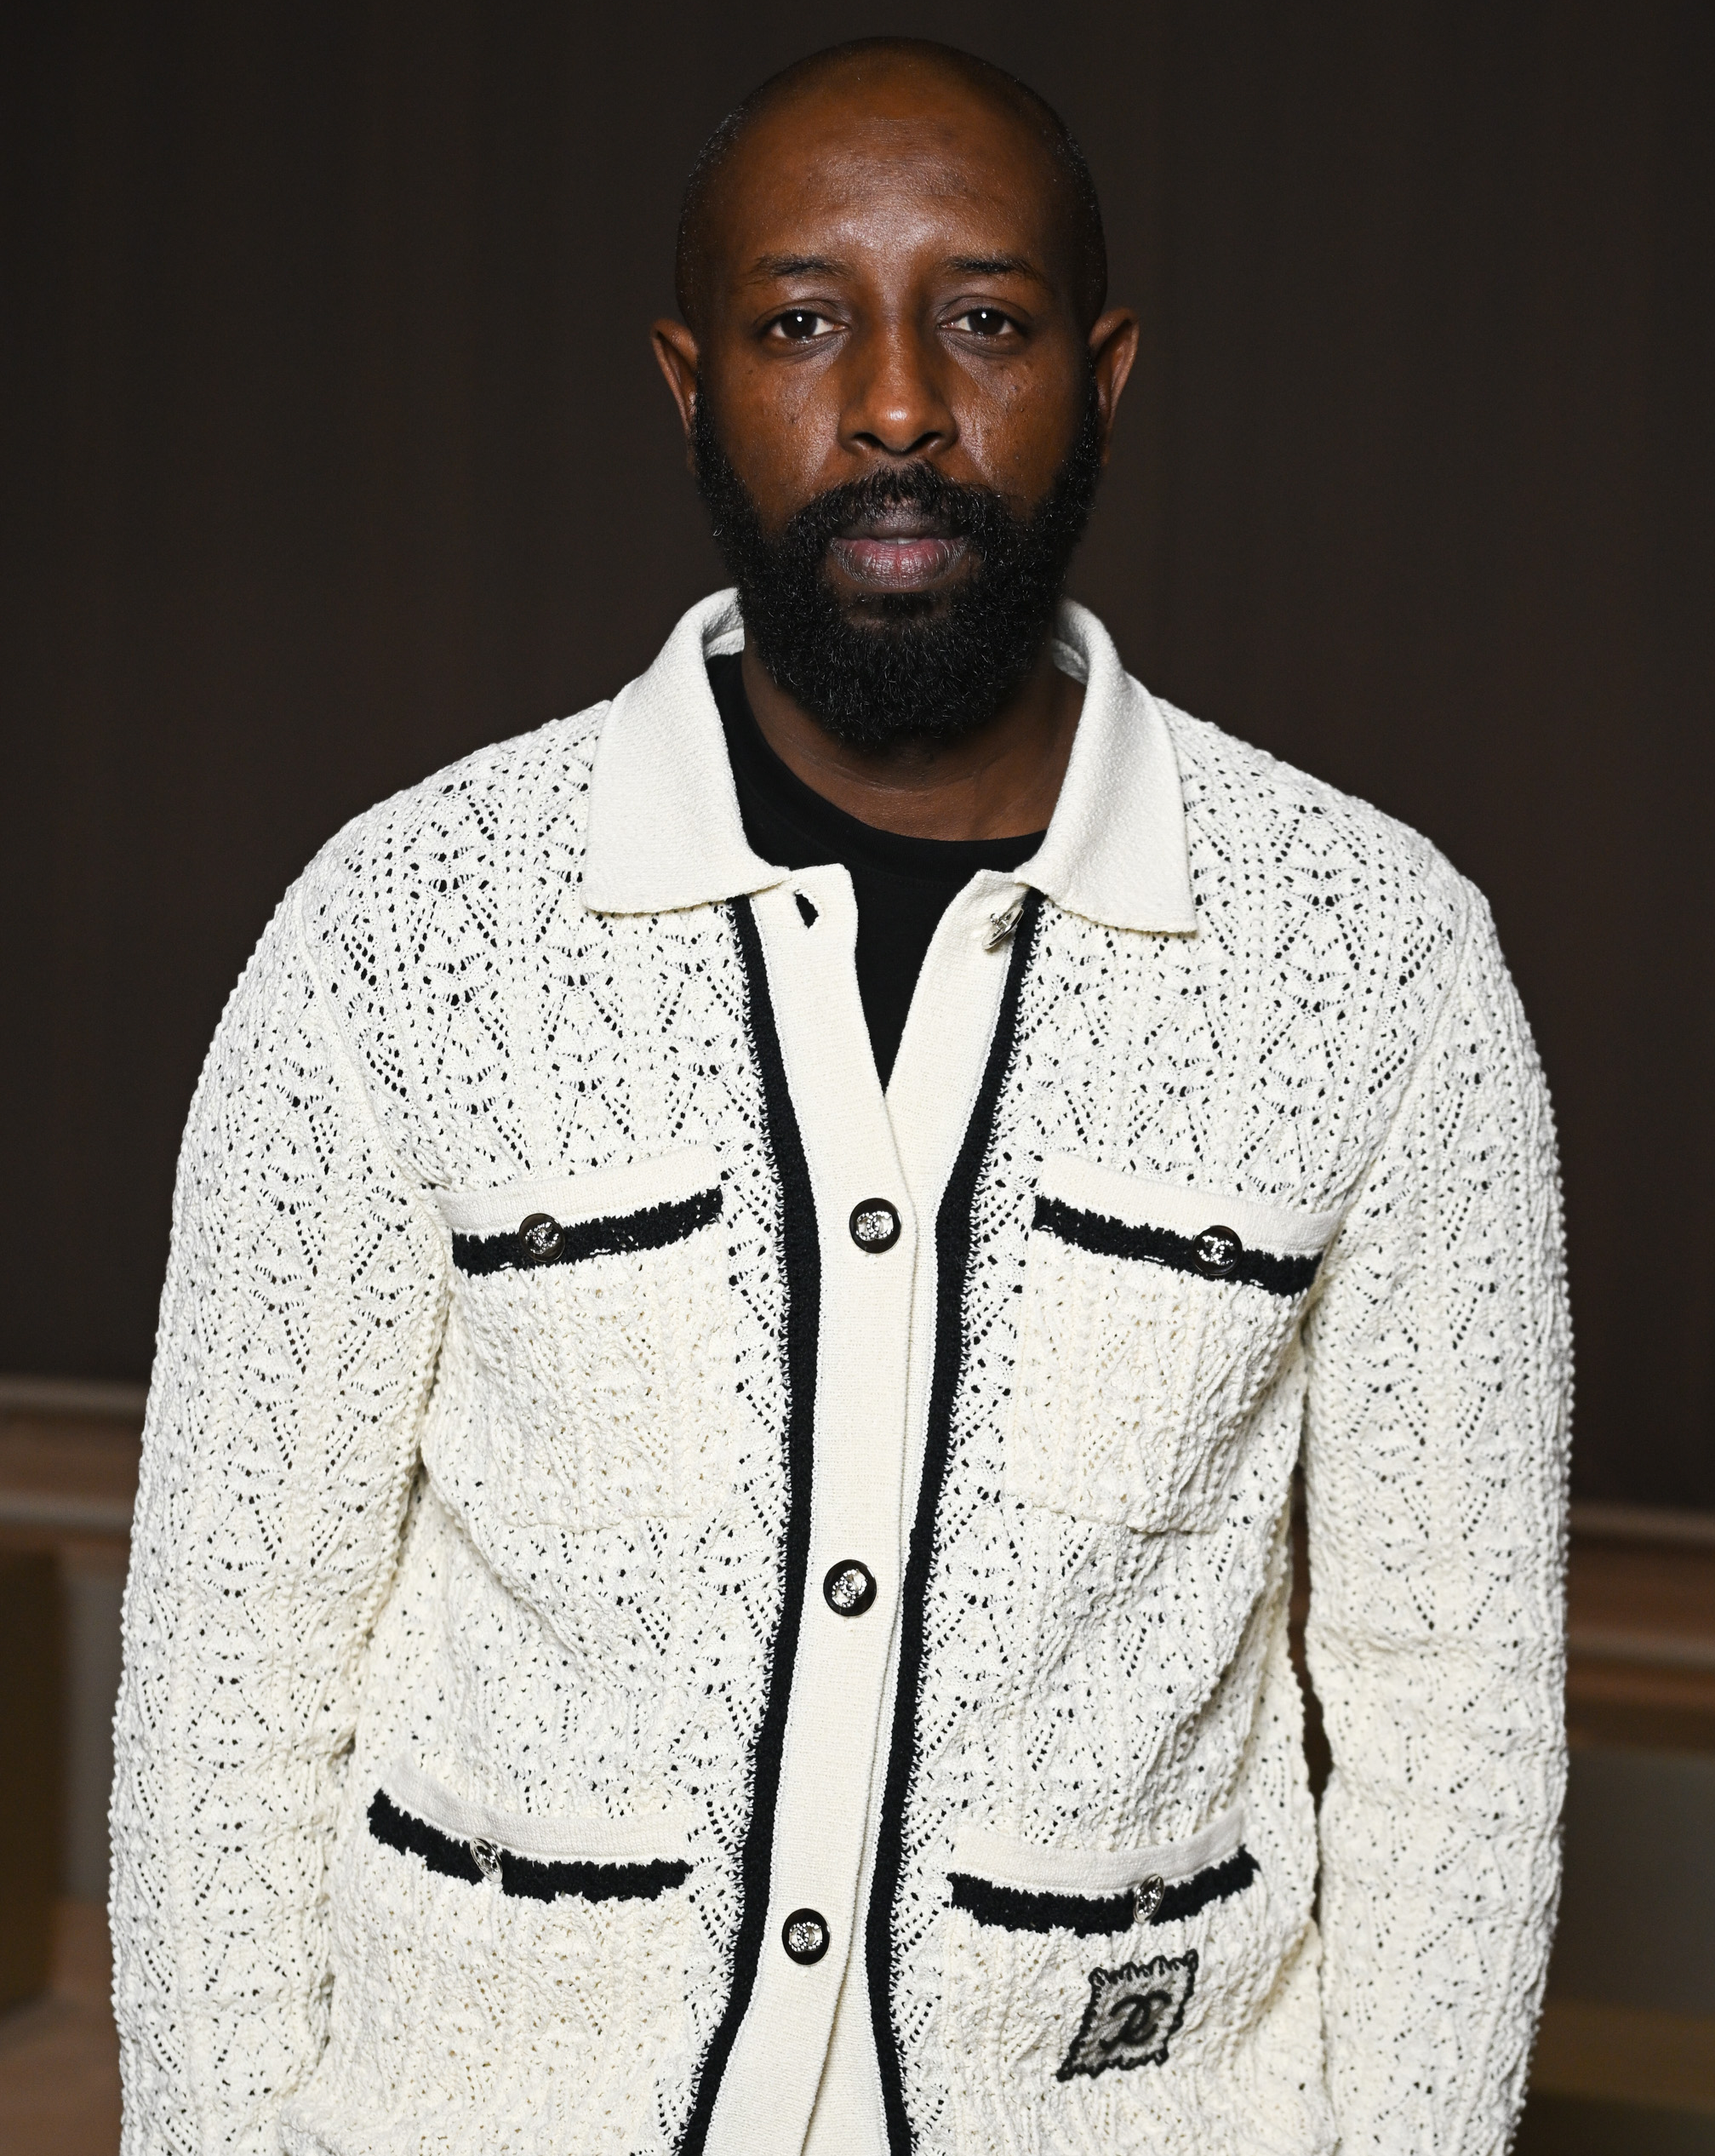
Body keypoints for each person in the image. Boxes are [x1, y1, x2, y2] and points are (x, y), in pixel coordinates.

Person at [111, 37, 1570, 2156]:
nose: (896, 401)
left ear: (1104, 370)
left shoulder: (1382, 970)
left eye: (980, 320)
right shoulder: (397, 933)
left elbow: (1455, 1717)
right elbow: (226, 1682)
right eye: (805, 323)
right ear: (692, 382)